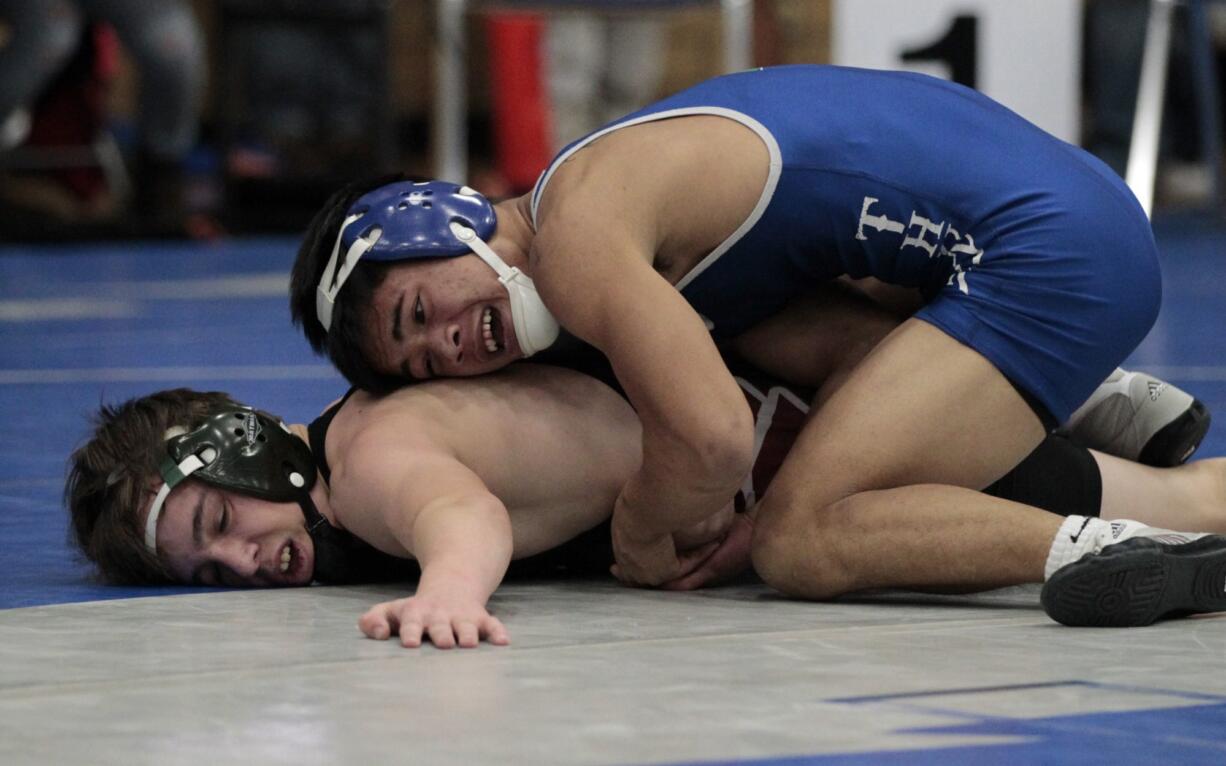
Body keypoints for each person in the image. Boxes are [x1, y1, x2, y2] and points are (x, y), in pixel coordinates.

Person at [290, 65, 1225, 627]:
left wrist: (645, 528)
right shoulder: (600, 189)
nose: (453, 348)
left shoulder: (578, 241)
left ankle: (1114, 549)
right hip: (1056, 218)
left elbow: (712, 441)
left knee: (801, 538)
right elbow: (791, 353)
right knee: (757, 330)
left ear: (443, 221)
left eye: (422, 314)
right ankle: (1090, 400)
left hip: (1045, 255)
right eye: (424, 365)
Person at [66, 360, 1226, 647]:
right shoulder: (352, 439)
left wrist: (445, 597)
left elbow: (457, 516)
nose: (243, 561)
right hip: (792, 415)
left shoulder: (370, 453)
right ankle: (1069, 404)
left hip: (817, 441)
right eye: (206, 571)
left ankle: (1084, 454)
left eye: (222, 525)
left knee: (1181, 501)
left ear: (245, 452)